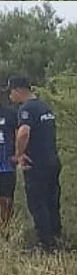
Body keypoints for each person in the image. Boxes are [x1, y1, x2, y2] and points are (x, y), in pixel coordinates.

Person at [8, 76, 61, 253]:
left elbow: (23, 132)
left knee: (37, 203)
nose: (9, 96)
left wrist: (19, 155)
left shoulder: (26, 109)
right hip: (52, 161)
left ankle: (45, 244)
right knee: (51, 201)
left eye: (10, 92)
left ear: (17, 90)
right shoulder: (44, 107)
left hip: (36, 164)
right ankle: (56, 238)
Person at [0, 90, 16, 233]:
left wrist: (18, 154)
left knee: (6, 201)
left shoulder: (10, 114)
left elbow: (19, 134)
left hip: (6, 167)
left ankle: (6, 232)